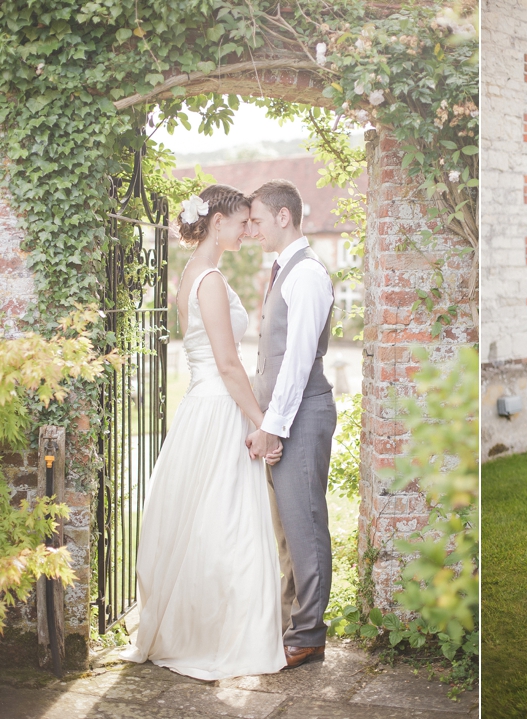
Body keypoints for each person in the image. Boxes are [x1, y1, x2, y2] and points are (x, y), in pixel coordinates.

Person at [120, 184, 286, 680]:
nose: (246, 230)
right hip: (219, 409)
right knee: (226, 523)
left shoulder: (190, 273)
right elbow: (229, 364)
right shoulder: (209, 280)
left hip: (201, 407)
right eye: (241, 222)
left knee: (204, 521)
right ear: (218, 223)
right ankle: (219, 635)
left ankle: (201, 626)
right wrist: (266, 424)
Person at [245, 179, 337, 669]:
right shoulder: (284, 271)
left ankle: (309, 636)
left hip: (303, 415)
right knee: (286, 530)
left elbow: (298, 360)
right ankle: (293, 624)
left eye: (258, 219)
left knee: (305, 527)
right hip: (284, 418)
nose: (253, 228)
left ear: (284, 217)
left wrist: (274, 427)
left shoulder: (307, 275)